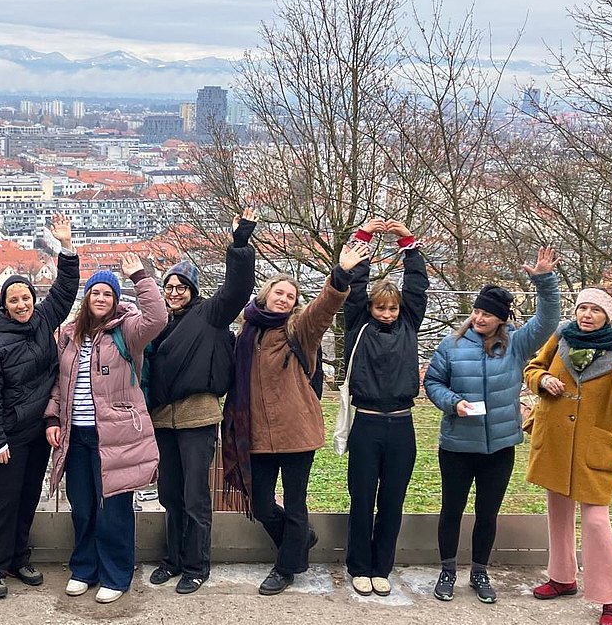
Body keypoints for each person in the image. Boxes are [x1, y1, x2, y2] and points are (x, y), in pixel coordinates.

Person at [223, 242, 367, 596]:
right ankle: (299, 539)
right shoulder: (246, 333)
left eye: (291, 295)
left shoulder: (300, 329)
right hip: (257, 434)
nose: (284, 298)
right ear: (266, 294)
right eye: (279, 292)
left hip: (297, 432)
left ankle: (286, 568)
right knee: (261, 505)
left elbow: (324, 307)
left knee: (295, 502)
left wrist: (340, 275)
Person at [423, 248, 561, 603]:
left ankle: (480, 572)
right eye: (477, 311)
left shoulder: (516, 343)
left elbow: (548, 320)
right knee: (451, 510)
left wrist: (544, 280)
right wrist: (453, 403)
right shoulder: (451, 345)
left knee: (488, 513)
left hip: (499, 447)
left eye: (488, 314)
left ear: (501, 319)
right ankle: (447, 571)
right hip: (457, 445)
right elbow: (433, 382)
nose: (480, 318)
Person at [145, 209, 257, 595]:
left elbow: (237, 289)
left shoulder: (210, 315)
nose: (175, 292)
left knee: (195, 496)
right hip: (164, 418)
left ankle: (196, 565)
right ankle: (174, 559)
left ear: (193, 290)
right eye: (170, 287)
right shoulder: (159, 323)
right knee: (170, 495)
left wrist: (239, 243)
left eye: (181, 287)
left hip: (197, 415)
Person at [46, 255, 167, 604]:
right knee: (82, 506)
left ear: (115, 299)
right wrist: (52, 419)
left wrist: (139, 277)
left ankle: (116, 574)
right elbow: (60, 383)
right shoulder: (70, 334)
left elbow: (157, 318)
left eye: (107, 294)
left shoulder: (126, 331)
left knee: (113, 508)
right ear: (87, 298)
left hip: (115, 436)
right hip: (76, 434)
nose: (100, 298)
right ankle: (84, 569)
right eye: (95, 292)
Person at [525, 286, 612, 625]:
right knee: (558, 512)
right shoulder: (562, 337)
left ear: (607, 316)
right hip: (556, 443)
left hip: (595, 447)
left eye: (595, 310)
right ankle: (562, 577)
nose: (587, 315)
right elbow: (532, 368)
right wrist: (543, 379)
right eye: (583, 308)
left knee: (595, 521)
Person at [0, 215, 79, 598]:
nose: (22, 305)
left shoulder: (42, 320)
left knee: (28, 498)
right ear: (4, 305)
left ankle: (18, 558)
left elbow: (65, 291)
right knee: (5, 503)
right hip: (8, 437)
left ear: (33, 299)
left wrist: (66, 246)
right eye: (14, 300)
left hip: (37, 432)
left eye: (26, 298)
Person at [338, 218, 428, 597]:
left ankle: (382, 568)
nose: (388, 313)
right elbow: (356, 287)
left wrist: (408, 242)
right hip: (368, 424)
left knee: (392, 500)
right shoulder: (358, 323)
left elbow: (417, 286)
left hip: (402, 426)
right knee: (362, 499)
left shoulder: (409, 323)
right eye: (381, 308)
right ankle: (359, 566)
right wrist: (363, 238)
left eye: (393, 308)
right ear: (371, 308)